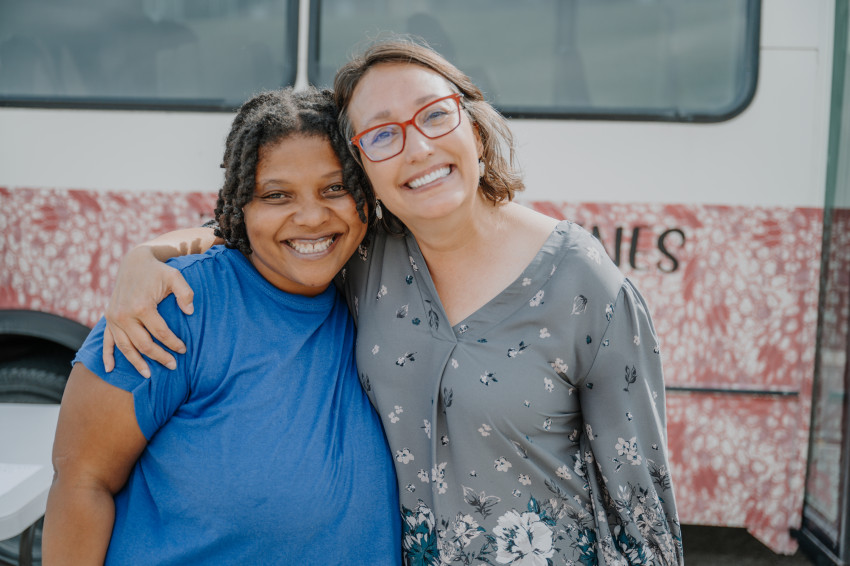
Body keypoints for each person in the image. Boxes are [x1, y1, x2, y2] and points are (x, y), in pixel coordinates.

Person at [103, 39, 684, 565]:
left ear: (475, 130)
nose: (418, 147)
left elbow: (641, 509)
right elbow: (266, 230)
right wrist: (147, 256)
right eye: (382, 134)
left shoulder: (583, 283)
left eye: (435, 115)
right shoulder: (367, 259)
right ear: (363, 171)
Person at [42, 87, 401, 565]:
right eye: (277, 195)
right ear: (240, 207)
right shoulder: (176, 306)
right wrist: (148, 256)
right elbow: (81, 480)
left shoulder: (374, 282)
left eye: (335, 188)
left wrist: (151, 248)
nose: (313, 217)